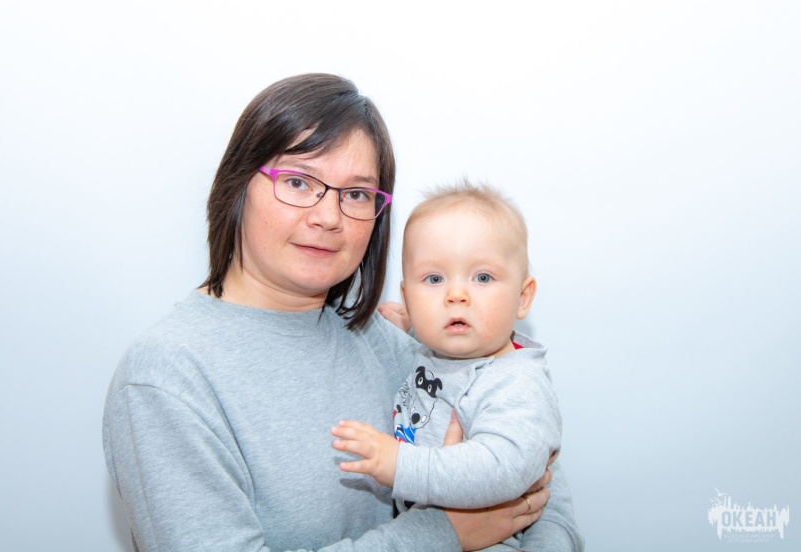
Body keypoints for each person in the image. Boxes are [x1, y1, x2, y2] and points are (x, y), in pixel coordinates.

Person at [102, 73, 583, 551]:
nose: (328, 217)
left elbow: (535, 473)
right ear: (237, 185)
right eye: (297, 181)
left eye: (355, 194)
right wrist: (443, 533)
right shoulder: (165, 376)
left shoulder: (390, 343)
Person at [332, 183, 562, 551]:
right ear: (408, 297)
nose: (456, 295)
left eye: (482, 278)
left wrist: (399, 464)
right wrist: (407, 326)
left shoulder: (516, 382)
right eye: (434, 279)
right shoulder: (440, 355)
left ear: (522, 297)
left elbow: (503, 468)